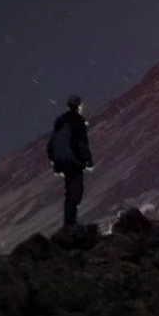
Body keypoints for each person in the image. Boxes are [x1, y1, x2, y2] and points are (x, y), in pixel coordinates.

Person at [47, 94, 94, 227]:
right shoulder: (78, 121)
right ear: (79, 106)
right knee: (76, 192)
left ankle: (68, 223)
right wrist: (88, 161)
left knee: (69, 192)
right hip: (74, 162)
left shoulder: (60, 121)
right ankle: (70, 224)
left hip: (62, 162)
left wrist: (54, 160)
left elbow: (52, 143)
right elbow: (81, 144)